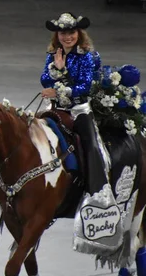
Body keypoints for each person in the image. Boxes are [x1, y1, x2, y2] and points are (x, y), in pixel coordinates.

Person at [40, 12, 115, 218]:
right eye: (63, 33)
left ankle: (97, 193)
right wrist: (56, 72)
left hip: (79, 109)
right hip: (56, 108)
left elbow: (86, 87)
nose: (67, 37)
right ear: (57, 35)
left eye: (71, 32)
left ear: (78, 33)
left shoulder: (87, 56)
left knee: (91, 144)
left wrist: (61, 78)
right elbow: (45, 78)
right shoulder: (54, 53)